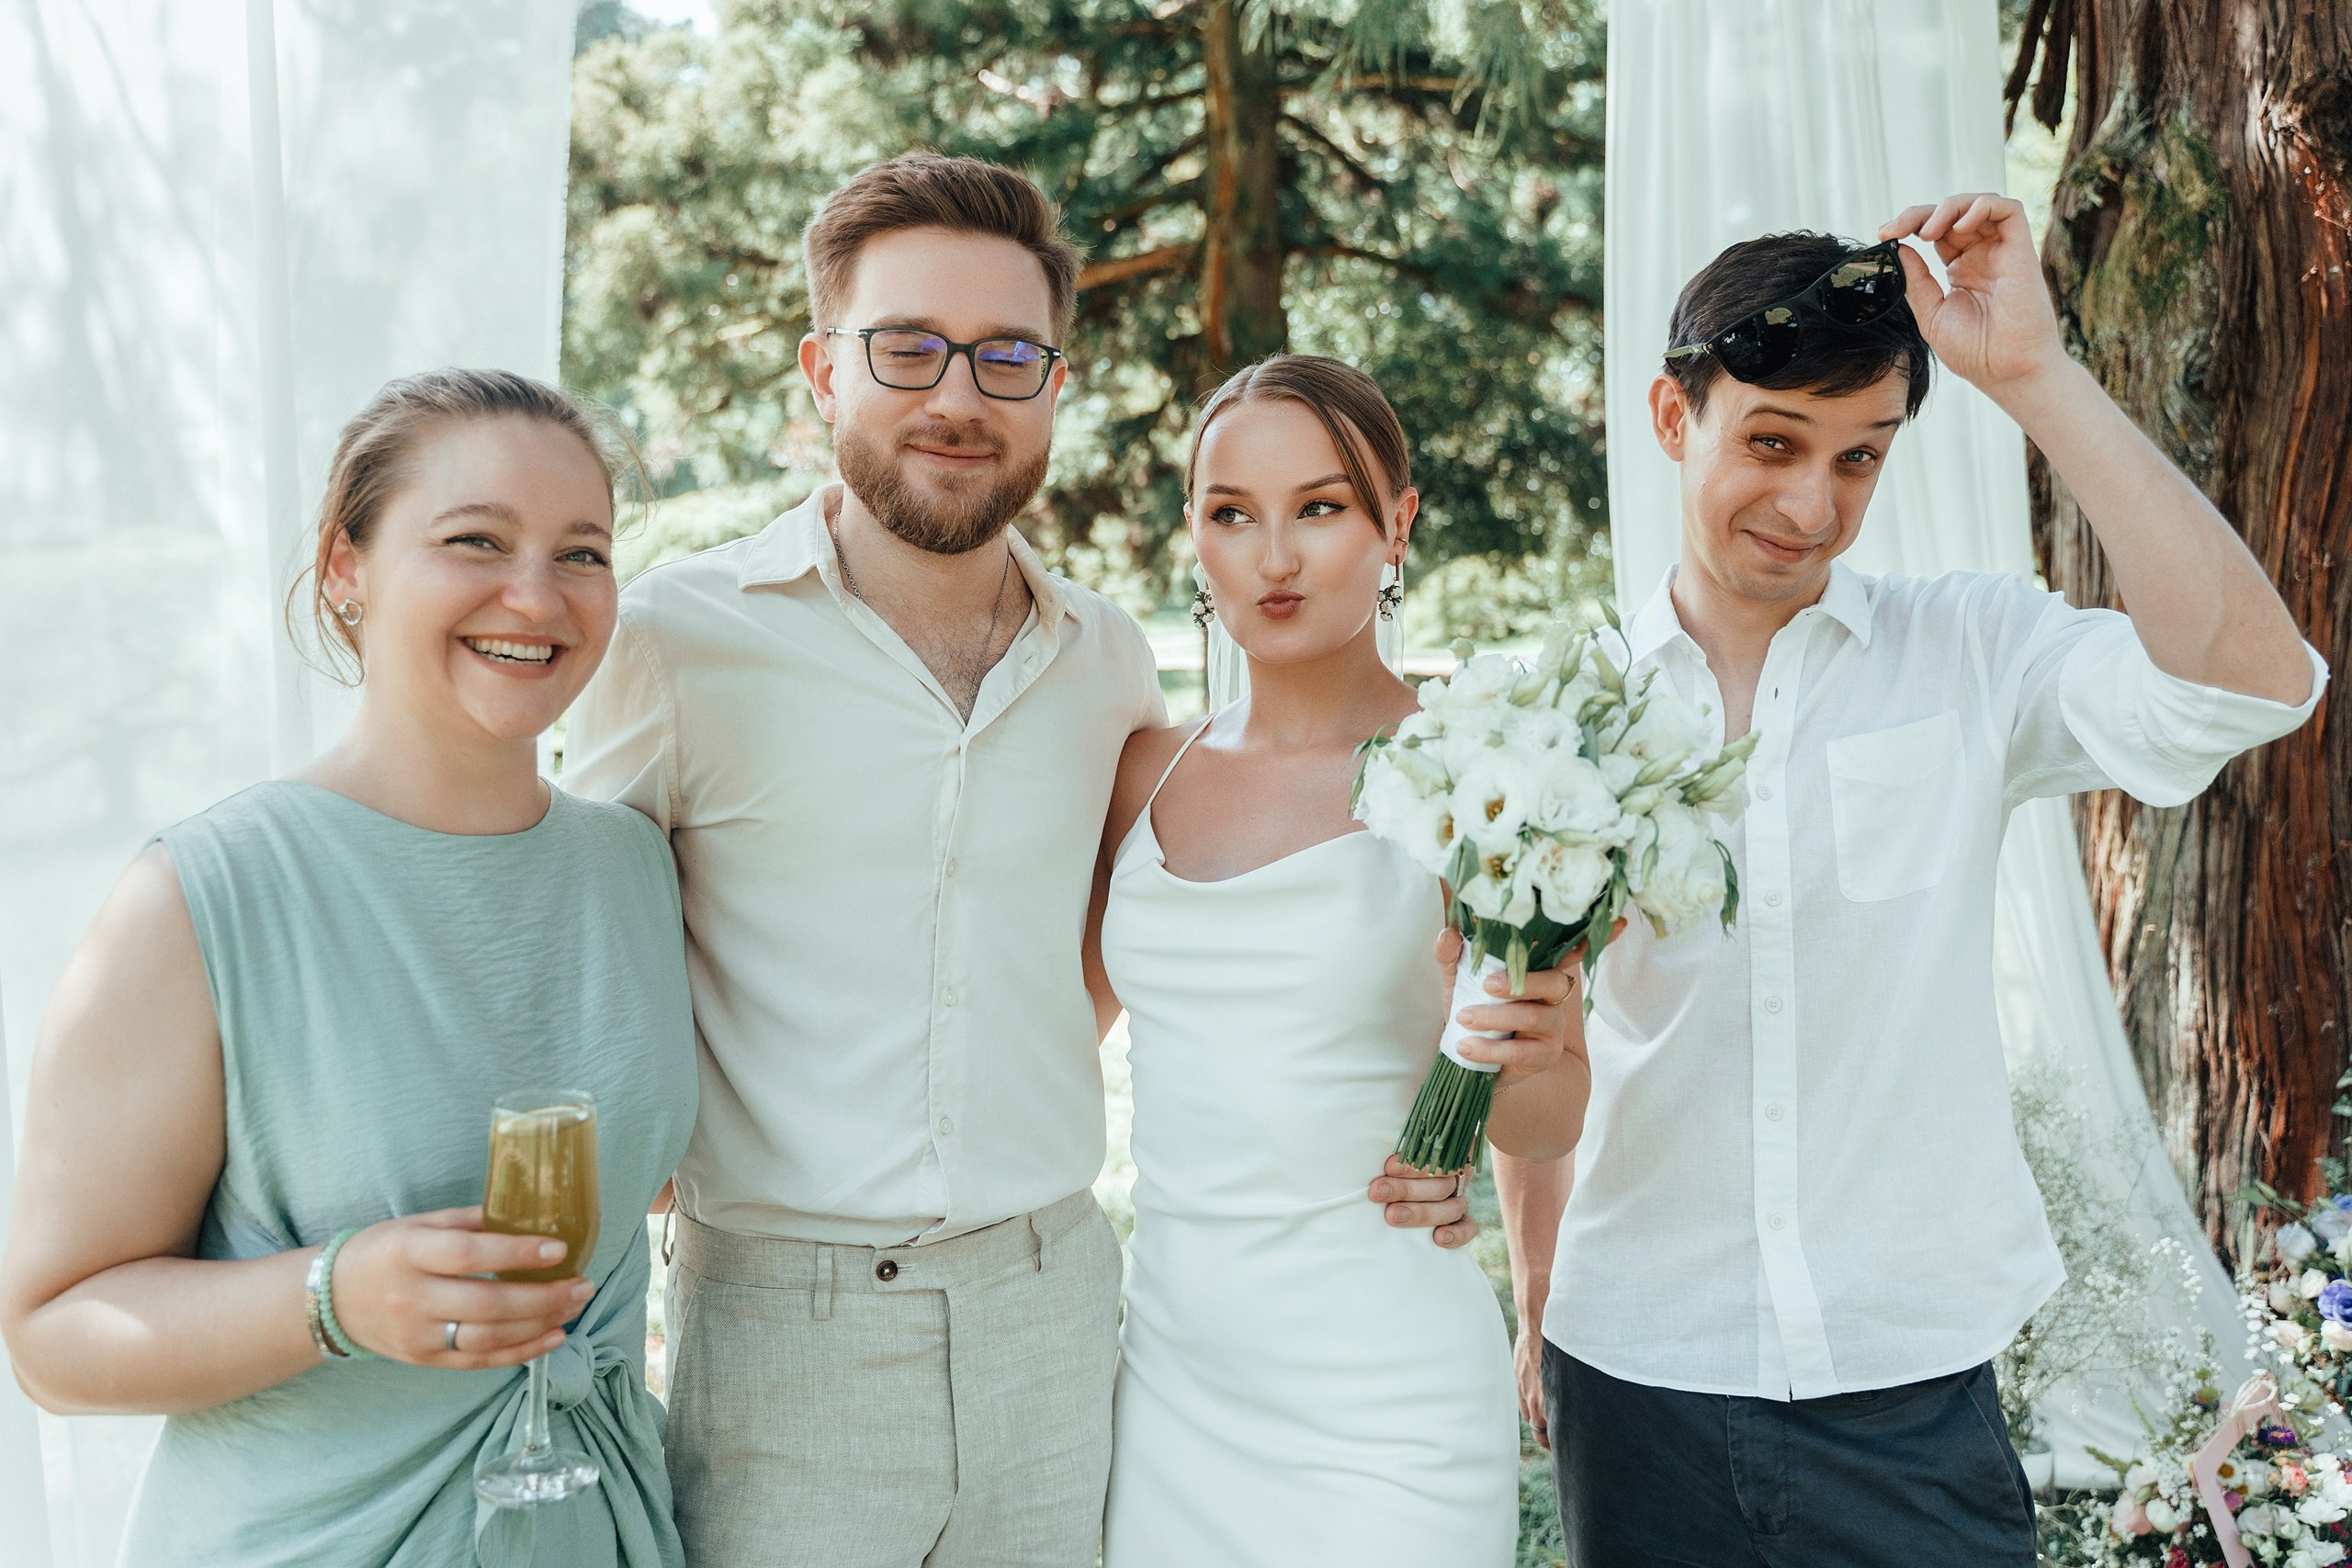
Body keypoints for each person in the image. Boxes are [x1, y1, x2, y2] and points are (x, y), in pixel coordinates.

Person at [561, 153, 1476, 1568]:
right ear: (821, 371)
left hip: (1056, 1323)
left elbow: (1095, 962)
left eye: (1004, 356)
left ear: (1055, 379)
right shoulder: (680, 643)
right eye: (906, 348)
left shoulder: (1104, 663)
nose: (956, 397)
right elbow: (570, 950)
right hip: (790, 1341)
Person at [1497, 195, 2329, 1566]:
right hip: (1637, 1376)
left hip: (1912, 1395)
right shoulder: (1557, 716)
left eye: (1861, 458)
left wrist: (2037, 380)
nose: (1813, 504)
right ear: (1669, 417)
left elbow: (2254, 683)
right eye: (1771, 443)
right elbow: (1550, 1028)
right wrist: (1539, 1295)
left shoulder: (1971, 654)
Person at [0, 368, 698, 1567]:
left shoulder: (635, 867)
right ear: (345, 566)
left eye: (582, 553)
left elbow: (640, 1177)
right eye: (474, 540)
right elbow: (53, 1338)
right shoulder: (202, 896)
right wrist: (333, 1296)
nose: (535, 595)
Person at [1091, 354, 1589, 1566]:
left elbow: (1543, 1118)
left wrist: (1505, 1050)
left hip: (1384, 1398)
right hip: (1167, 1381)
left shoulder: (1484, 779)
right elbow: (1050, 1037)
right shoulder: (1138, 771)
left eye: (1319, 508)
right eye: (1231, 514)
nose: (1274, 557)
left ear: (1395, 524)